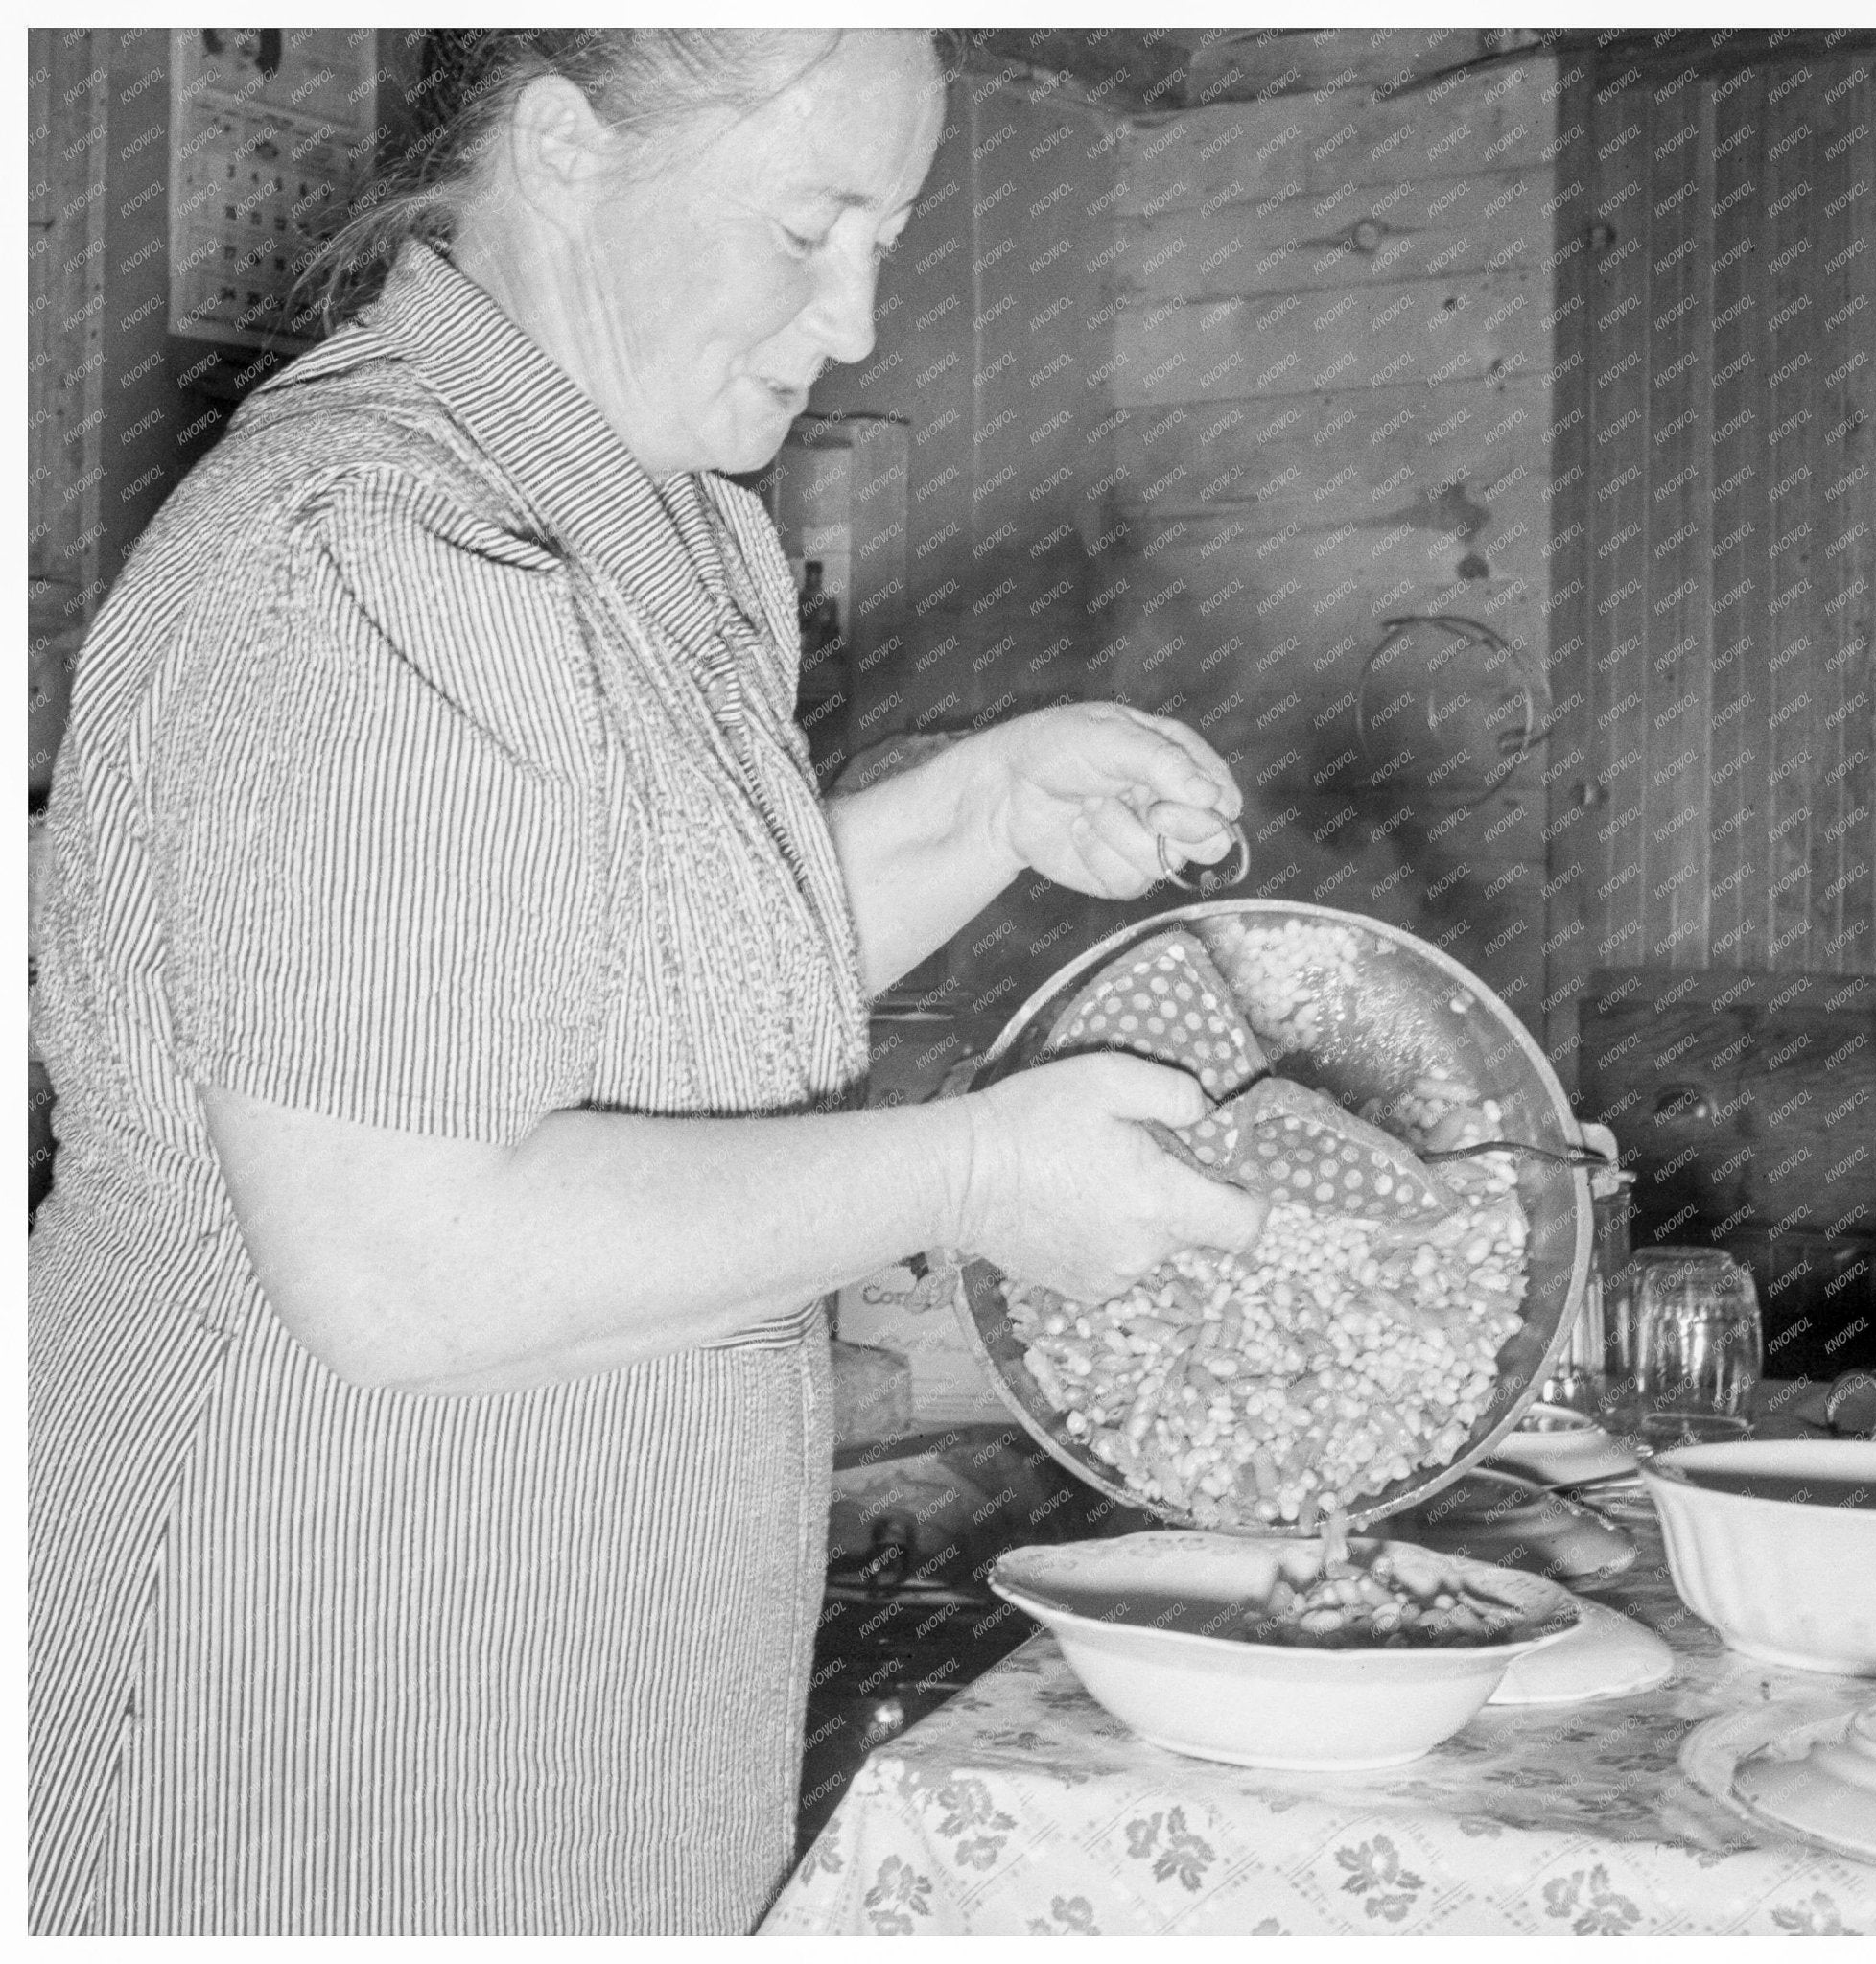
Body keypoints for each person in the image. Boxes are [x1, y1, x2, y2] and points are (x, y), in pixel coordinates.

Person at [28, 28, 1265, 1936]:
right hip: (326, 1698)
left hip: (576, 1676)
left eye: (890, 233)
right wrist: (977, 1173)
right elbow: (403, 1259)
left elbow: (628, 1000)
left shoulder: (653, 529)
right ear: (566, 153)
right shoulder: (368, 552)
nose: (853, 319)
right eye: (806, 224)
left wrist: (983, 807)